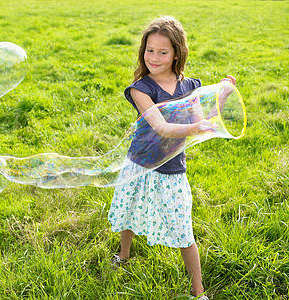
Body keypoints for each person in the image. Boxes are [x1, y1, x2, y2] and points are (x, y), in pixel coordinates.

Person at [108, 16, 236, 299]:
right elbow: (162, 127)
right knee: (129, 212)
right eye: (149, 50)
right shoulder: (141, 89)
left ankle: (198, 291)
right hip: (140, 163)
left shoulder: (189, 85)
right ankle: (123, 255)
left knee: (183, 230)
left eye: (162, 52)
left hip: (172, 171)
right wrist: (194, 127)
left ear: (177, 53)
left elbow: (204, 120)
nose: (154, 57)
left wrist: (223, 94)